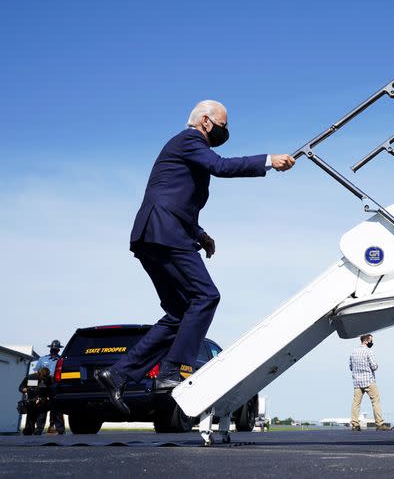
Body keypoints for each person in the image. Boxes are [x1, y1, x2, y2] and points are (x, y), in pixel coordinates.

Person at [96, 100, 295, 415]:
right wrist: (269, 160)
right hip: (164, 232)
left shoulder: (184, 148)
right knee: (206, 296)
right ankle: (172, 372)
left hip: (155, 233)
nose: (225, 131)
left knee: (178, 312)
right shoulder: (190, 140)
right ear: (206, 121)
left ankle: (119, 374)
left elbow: (175, 197)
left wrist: (200, 235)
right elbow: (222, 166)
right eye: (223, 124)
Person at [349, 334, 391, 431]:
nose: (372, 342)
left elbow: (351, 367)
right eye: (371, 340)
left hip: (357, 382)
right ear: (366, 341)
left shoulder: (353, 352)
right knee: (375, 401)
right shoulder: (369, 352)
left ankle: (355, 425)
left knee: (356, 403)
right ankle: (379, 424)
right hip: (369, 380)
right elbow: (374, 366)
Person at [32, 340, 66, 435]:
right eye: (52, 349)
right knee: (42, 408)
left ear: (59, 350)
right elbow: (36, 373)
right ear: (50, 349)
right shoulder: (43, 359)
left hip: (55, 387)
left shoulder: (61, 360)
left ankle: (60, 430)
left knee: (57, 409)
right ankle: (38, 429)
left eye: (56, 349)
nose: (54, 351)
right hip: (43, 387)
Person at [19, 367, 55, 435]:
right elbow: (20, 388)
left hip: (43, 403)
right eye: (42, 376)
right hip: (31, 402)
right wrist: (25, 389)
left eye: (45, 377)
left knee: (40, 422)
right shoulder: (31, 377)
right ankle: (27, 434)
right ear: (38, 373)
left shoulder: (49, 378)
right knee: (30, 422)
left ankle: (37, 435)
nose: (43, 378)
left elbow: (52, 389)